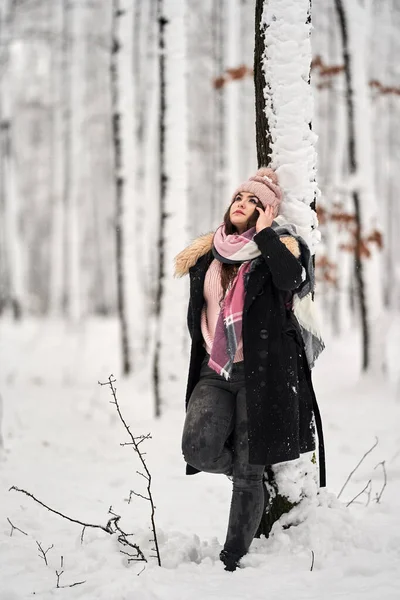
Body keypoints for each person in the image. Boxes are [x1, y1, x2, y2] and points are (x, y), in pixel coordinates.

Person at [175, 167, 325, 572]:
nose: (243, 204)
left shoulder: (280, 249)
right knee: (197, 448)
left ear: (267, 213)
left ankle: (232, 558)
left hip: (263, 377)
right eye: (240, 198)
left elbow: (293, 280)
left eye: (255, 203)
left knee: (247, 472)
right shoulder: (209, 252)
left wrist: (264, 234)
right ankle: (247, 477)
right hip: (214, 370)